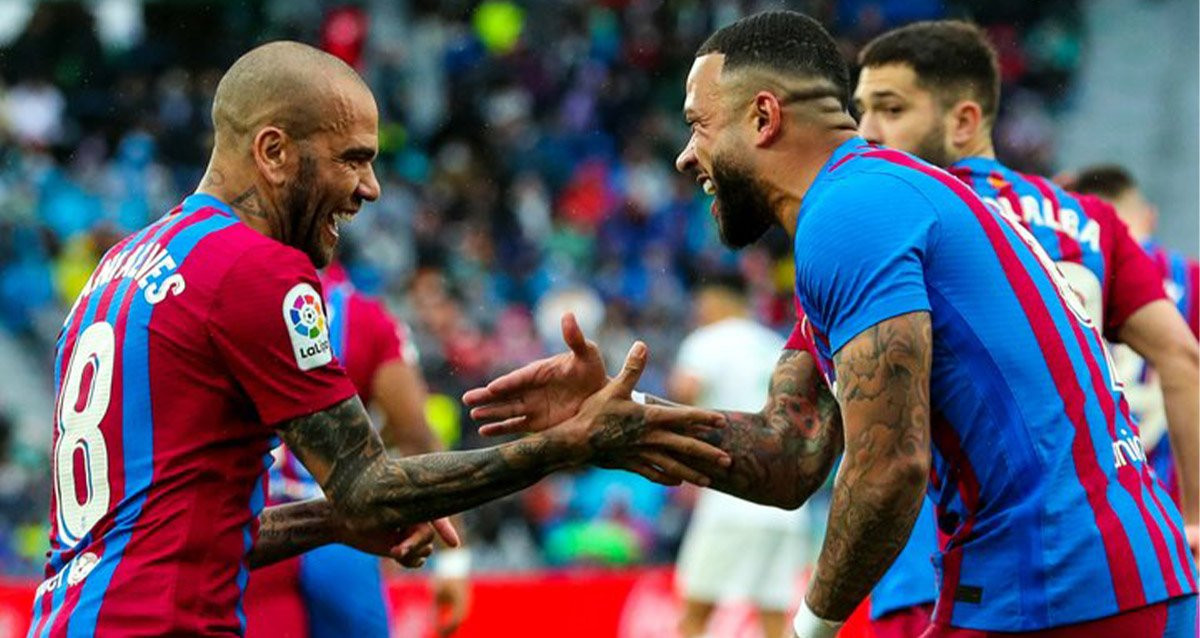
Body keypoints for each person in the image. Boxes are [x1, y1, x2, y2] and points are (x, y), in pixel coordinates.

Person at [463, 10, 1198, 638]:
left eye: (697, 124)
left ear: (762, 116)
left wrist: (810, 627)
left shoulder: (849, 213)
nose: (687, 155)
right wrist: (627, 425)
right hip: (1116, 571)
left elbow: (891, 466)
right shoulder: (872, 205)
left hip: (1050, 583)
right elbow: (792, 457)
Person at [30, 41, 728, 637]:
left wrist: (332, 525)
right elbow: (370, 489)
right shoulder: (254, 269)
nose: (370, 188)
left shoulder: (122, 266)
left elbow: (185, 531)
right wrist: (570, 443)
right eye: (352, 159)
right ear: (273, 150)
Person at [852, 20, 1200, 635]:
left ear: (964, 120)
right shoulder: (1089, 220)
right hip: (1135, 550)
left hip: (954, 564)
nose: (865, 135)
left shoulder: (898, 220)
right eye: (861, 110)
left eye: (889, 108)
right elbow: (1182, 357)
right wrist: (1195, 515)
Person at [244, 264, 471, 638]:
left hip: (263, 533)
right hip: (342, 534)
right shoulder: (364, 317)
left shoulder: (232, 303)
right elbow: (417, 437)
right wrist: (453, 563)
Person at [670, 276, 809, 638]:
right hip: (785, 507)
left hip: (729, 500)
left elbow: (685, 390)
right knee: (775, 621)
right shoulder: (776, 345)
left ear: (715, 302)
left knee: (695, 614)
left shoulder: (706, 342)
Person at [1072, 164, 1200, 507]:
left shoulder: (1059, 277)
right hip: (1179, 505)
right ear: (1150, 217)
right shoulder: (1191, 278)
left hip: (1097, 508)